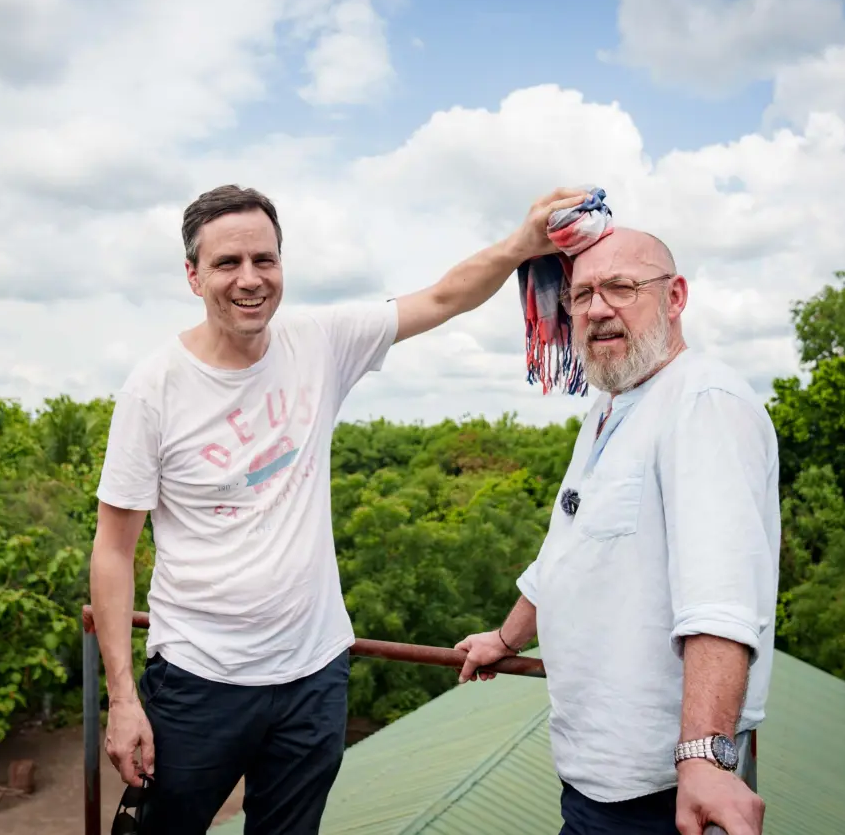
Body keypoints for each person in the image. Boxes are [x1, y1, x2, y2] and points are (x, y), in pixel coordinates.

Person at [91, 183, 592, 834]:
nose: (250, 279)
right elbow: (113, 550)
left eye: (264, 260)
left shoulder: (318, 342)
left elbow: (443, 297)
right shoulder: (155, 388)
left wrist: (521, 245)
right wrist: (123, 698)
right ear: (193, 275)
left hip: (314, 676)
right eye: (227, 263)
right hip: (199, 678)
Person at [456, 227, 781, 835]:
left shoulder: (703, 401)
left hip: (660, 790)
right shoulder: (610, 409)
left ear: (675, 297)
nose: (597, 309)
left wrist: (704, 759)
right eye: (582, 295)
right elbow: (567, 552)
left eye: (621, 288)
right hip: (594, 773)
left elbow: (721, 600)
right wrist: (505, 638)